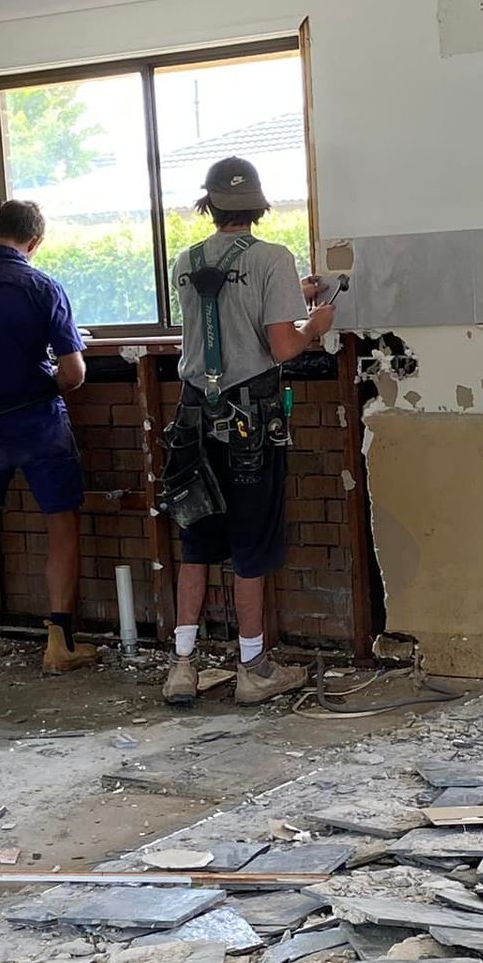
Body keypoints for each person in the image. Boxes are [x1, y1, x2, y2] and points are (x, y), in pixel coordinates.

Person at [160, 157, 338, 707]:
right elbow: (282, 346)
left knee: (197, 542)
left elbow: (220, 307)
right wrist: (315, 323)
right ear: (258, 205)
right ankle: (253, 669)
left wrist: (288, 294)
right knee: (249, 547)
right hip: (249, 425)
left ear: (209, 204)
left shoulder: (183, 261)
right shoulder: (273, 258)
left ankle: (182, 667)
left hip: (193, 417)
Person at [0, 199, 100, 675]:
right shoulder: (42, 285)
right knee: (60, 521)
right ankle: (59, 643)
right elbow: (73, 373)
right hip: (34, 420)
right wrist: (40, 379)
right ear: (36, 241)